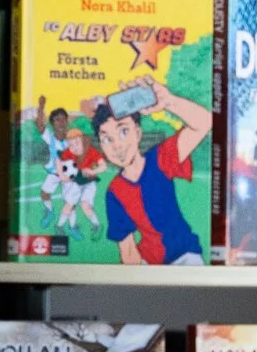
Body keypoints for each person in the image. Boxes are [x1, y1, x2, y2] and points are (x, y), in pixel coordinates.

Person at [89, 79, 211, 265]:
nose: (117, 146)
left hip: (184, 255)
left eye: (123, 132)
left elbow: (204, 122)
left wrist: (169, 101)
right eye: (106, 140)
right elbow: (128, 250)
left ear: (138, 133)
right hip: (148, 263)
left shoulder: (161, 158)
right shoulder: (114, 192)